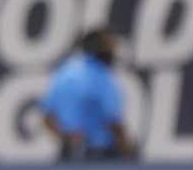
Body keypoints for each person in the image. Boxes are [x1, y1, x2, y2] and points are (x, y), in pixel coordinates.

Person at [41, 28, 135, 161]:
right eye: (111, 47)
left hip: (67, 156)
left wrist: (67, 140)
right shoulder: (102, 76)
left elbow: (47, 119)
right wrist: (129, 153)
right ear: (103, 51)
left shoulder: (64, 72)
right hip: (100, 158)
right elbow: (114, 123)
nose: (114, 52)